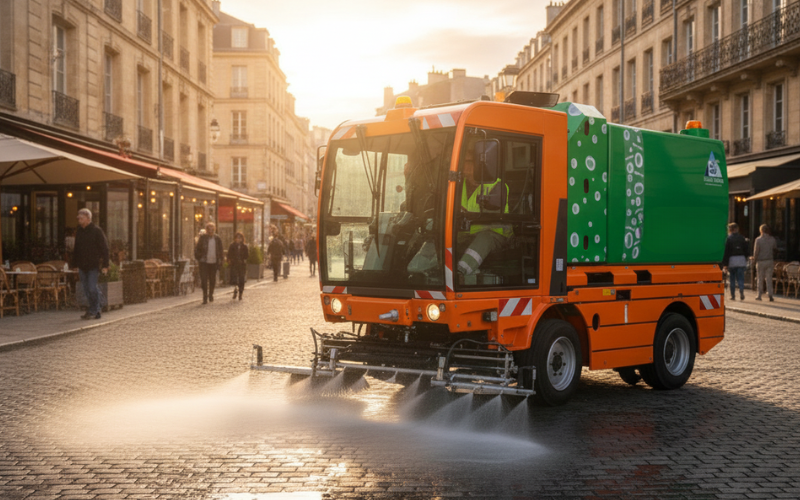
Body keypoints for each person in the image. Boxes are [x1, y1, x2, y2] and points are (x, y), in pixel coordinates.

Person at [456, 142, 510, 276]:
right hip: (467, 232)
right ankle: (423, 267)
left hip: (495, 233)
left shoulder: (497, 185)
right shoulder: (457, 185)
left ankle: (461, 272)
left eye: (468, 162)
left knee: (484, 238)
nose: (463, 166)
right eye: (462, 162)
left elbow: (492, 211)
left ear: (481, 164)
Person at [72, 208, 109, 320]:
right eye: (78, 218)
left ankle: (96, 308)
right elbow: (76, 248)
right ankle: (95, 308)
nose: (79, 220)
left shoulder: (97, 231)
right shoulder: (79, 231)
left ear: (88, 218)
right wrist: (74, 264)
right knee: (86, 289)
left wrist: (105, 265)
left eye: (81, 218)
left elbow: (104, 248)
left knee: (92, 288)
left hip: (93, 265)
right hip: (82, 265)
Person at [194, 221, 224, 304]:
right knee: (204, 280)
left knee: (212, 280)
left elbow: (220, 250)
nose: (211, 231)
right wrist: (199, 257)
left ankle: (211, 294)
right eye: (209, 229)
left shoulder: (217, 239)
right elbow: (197, 249)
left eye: (212, 229)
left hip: (213, 262)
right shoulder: (203, 238)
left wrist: (221, 260)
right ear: (206, 230)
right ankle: (204, 296)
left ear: (214, 230)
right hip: (204, 262)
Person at [722, 222, 749, 301]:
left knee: (732, 279)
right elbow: (746, 250)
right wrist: (746, 257)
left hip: (732, 260)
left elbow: (726, 252)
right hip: (741, 259)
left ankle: (733, 295)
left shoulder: (729, 239)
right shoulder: (742, 238)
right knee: (740, 278)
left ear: (730, 230)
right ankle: (741, 290)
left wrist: (725, 264)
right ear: (737, 229)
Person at [753, 224, 778, 302]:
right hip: (769, 260)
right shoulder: (772, 239)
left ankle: (759, 295)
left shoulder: (758, 240)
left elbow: (756, 252)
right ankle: (770, 295)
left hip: (761, 261)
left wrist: (754, 260)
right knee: (769, 279)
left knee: (760, 278)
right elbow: (775, 249)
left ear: (761, 231)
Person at [227, 231, 248, 301]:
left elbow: (247, 255)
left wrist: (244, 260)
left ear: (242, 239)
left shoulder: (244, 246)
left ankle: (240, 293)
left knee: (241, 279)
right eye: (237, 238)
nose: (238, 240)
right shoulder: (232, 246)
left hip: (242, 265)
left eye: (240, 238)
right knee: (235, 278)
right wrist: (230, 260)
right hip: (234, 264)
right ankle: (235, 289)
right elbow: (229, 254)